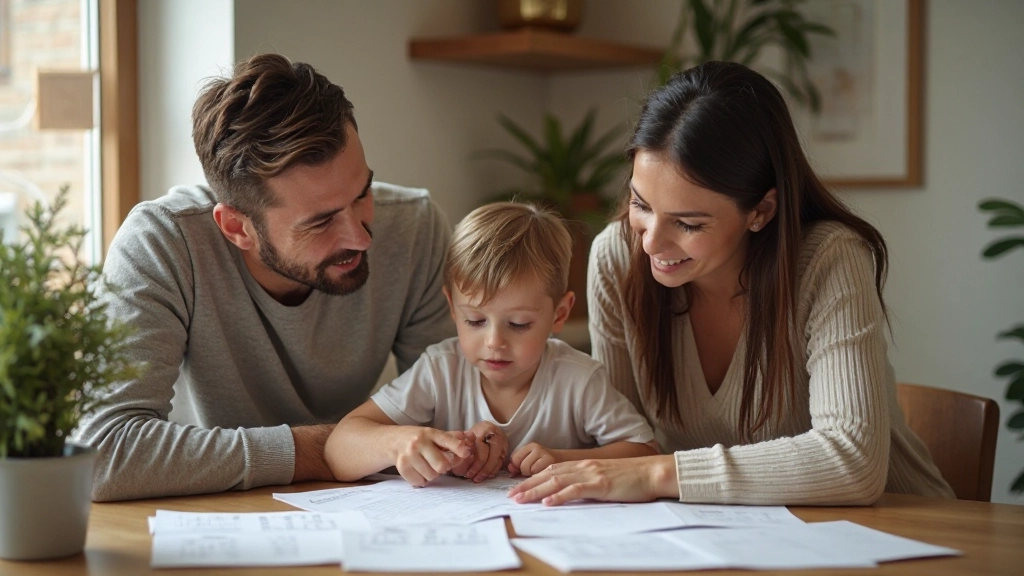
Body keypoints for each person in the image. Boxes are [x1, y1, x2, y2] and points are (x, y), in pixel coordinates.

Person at [508, 61, 954, 507]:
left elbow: (852, 461)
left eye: (688, 223)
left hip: (900, 523)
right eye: (641, 205)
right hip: (721, 530)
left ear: (760, 211)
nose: (651, 243)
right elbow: (621, 438)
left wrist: (658, 472)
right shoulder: (617, 256)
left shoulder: (829, 259)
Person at [74, 53, 455, 501]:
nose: (360, 237)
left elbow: (454, 410)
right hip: (207, 513)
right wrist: (331, 449)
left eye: (363, 193)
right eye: (320, 222)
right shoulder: (164, 242)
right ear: (237, 227)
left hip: (365, 509)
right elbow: (102, 453)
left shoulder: (415, 228)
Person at [325, 202, 657, 487]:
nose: (495, 342)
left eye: (519, 324)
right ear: (452, 308)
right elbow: (338, 449)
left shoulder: (579, 379)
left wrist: (561, 459)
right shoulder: (440, 370)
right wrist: (401, 442)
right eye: (475, 321)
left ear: (559, 314)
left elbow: (646, 452)